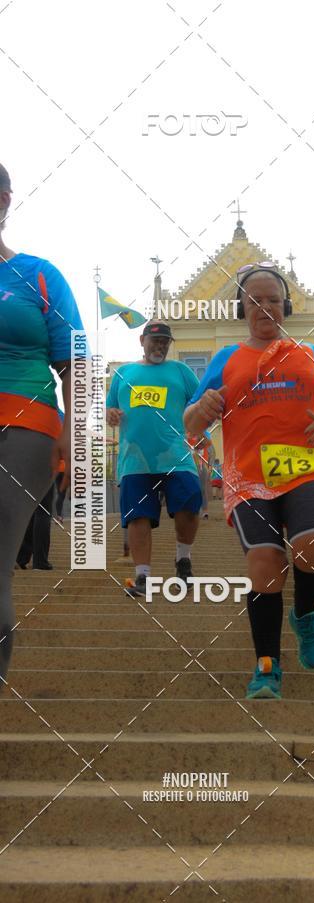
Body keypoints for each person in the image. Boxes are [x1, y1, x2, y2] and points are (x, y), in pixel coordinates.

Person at [185, 263, 314, 700]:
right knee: (265, 564)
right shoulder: (226, 359)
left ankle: (305, 616)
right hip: (248, 477)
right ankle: (267, 666)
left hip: (307, 466)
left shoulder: (311, 354)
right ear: (242, 308)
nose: (265, 307)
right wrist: (201, 410)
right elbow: (191, 420)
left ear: (285, 306)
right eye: (255, 300)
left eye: (273, 299)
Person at [0, 162, 82, 679]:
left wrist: (77, 436)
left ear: (5, 201)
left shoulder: (38, 275)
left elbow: (76, 362)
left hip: (23, 426)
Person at [106, 321, 203, 598]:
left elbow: (198, 404)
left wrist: (203, 431)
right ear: (142, 340)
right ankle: (142, 577)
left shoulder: (181, 371)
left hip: (175, 456)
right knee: (138, 517)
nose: (160, 346)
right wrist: (111, 414)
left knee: (189, 504)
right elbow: (111, 407)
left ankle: (183, 559)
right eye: (155, 341)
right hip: (135, 460)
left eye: (165, 342)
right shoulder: (123, 373)